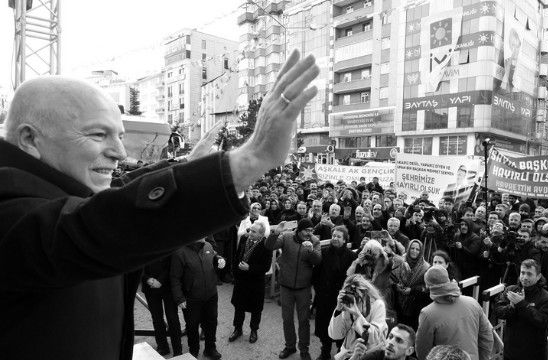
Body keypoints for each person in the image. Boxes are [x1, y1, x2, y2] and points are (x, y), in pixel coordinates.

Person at [0, 51, 319, 359]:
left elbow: (117, 194)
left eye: (120, 136)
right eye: (98, 134)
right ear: (30, 139)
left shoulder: (66, 191)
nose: (119, 153)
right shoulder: (9, 212)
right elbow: (96, 224)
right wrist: (248, 160)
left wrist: (186, 166)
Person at [266, 219, 322, 360]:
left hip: (304, 287)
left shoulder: (314, 241)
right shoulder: (286, 237)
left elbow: (318, 261)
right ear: (299, 229)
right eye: (306, 230)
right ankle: (290, 346)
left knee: (304, 320)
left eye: (311, 231)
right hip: (286, 286)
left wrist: (311, 251)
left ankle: (304, 349)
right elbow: (269, 246)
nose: (309, 233)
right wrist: (275, 233)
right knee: (287, 319)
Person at [416, 265, 493, 360]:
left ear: (428, 285)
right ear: (448, 279)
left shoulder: (427, 313)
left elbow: (423, 350)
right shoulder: (472, 303)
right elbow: (487, 336)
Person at [170, 238, 227, 359]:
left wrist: (219, 259)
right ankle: (193, 349)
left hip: (211, 295)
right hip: (192, 298)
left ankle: (210, 348)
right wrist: (179, 298)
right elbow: (175, 278)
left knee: (211, 322)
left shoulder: (208, 246)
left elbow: (214, 255)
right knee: (192, 325)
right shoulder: (179, 252)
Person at [494, 259, 548, 360]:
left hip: (534, 353)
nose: (525, 277)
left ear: (538, 276)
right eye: (522, 273)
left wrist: (522, 304)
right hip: (511, 350)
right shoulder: (511, 290)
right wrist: (511, 307)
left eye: (529, 274)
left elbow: (543, 321)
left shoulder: (547, 298)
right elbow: (498, 311)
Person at [313, 226, 357, 360]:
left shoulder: (351, 255)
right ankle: (325, 350)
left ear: (344, 240)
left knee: (341, 324)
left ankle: (340, 350)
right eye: (333, 236)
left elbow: (354, 278)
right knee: (324, 325)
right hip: (324, 296)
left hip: (341, 297)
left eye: (338, 236)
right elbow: (317, 273)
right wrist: (318, 288)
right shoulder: (325, 252)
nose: (335, 238)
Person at [229, 220, 273, 344]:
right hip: (241, 280)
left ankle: (254, 330)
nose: (249, 233)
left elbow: (265, 266)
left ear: (261, 234)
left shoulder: (266, 245)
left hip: (255, 282)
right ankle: (238, 329)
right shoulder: (244, 239)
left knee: (256, 309)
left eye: (253, 231)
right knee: (239, 306)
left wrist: (249, 268)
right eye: (250, 230)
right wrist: (235, 271)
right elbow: (237, 255)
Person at [328, 274, 389, 360]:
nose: (354, 298)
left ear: (365, 292)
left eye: (356, 294)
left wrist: (357, 315)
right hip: (349, 353)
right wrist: (338, 309)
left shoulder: (377, 305)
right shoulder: (348, 304)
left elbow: (374, 337)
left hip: (370, 354)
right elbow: (335, 335)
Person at [141, 255, 183, 356]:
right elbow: (137, 266)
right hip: (149, 286)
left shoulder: (167, 241)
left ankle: (178, 349)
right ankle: (163, 346)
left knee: (172, 317)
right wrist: (147, 279)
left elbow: (173, 263)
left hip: (168, 285)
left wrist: (160, 280)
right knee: (157, 318)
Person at [396, 240, 431, 330]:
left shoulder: (426, 267)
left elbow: (426, 287)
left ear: (421, 251)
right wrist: (396, 286)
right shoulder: (400, 261)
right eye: (412, 248)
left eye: (417, 249)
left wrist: (412, 290)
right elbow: (392, 277)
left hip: (414, 308)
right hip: (398, 305)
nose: (414, 251)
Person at [348, 324, 416, 360]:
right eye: (390, 337)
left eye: (399, 340)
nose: (391, 342)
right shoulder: (375, 357)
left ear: (409, 351)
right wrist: (354, 358)